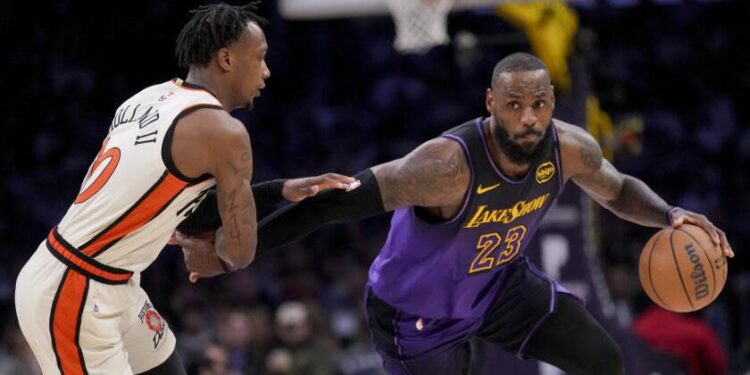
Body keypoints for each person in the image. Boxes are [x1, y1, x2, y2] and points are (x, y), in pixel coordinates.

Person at [175, 52, 734, 375]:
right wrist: (232, 252)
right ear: (491, 104)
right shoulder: (446, 165)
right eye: (514, 105)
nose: (528, 118)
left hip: (499, 287)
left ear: (550, 104)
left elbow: (615, 189)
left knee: (604, 361)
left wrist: (670, 216)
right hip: (414, 315)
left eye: (538, 104)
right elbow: (332, 207)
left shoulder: (569, 148)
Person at [14, 3, 353, 374]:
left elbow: (172, 202)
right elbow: (240, 253)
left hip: (110, 278)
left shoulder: (146, 98)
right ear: (226, 59)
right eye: (260, 58)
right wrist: (216, 255)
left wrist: (277, 190)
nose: (267, 71)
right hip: (74, 289)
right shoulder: (225, 132)